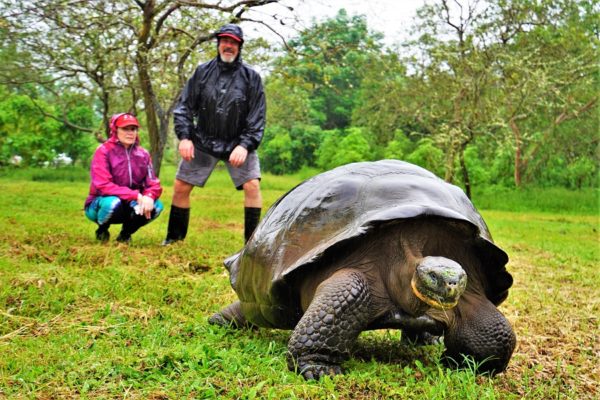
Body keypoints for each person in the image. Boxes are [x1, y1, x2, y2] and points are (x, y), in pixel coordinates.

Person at [162, 23, 266, 245]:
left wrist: (245, 145)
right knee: (181, 186)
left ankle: (253, 244)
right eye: (224, 41)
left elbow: (257, 117)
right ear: (218, 44)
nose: (228, 46)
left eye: (233, 42)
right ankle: (174, 239)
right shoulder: (202, 72)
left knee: (252, 185)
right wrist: (185, 137)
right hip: (203, 140)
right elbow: (184, 107)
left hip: (238, 142)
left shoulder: (252, 78)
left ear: (239, 46)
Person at [84, 113, 164, 243]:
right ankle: (102, 229)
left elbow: (153, 183)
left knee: (156, 206)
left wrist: (149, 195)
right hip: (101, 203)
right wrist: (136, 195)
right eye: (125, 129)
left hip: (130, 203)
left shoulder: (143, 154)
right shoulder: (103, 151)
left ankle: (125, 235)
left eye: (133, 129)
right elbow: (103, 185)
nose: (130, 133)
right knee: (112, 203)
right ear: (115, 130)